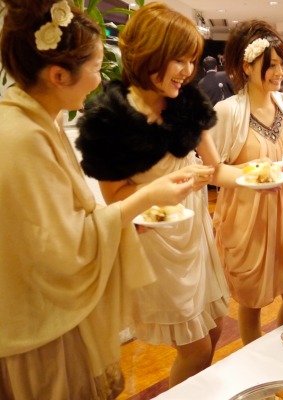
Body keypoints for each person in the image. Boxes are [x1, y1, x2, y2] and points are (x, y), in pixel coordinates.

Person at [0, 0, 198, 398]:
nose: (98, 79)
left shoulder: (41, 121)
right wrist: (149, 196)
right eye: (95, 67)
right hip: (38, 326)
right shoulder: (21, 137)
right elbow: (60, 249)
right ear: (59, 75)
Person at [76, 2, 239, 387]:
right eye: (179, 60)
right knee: (195, 349)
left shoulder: (186, 103)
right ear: (150, 53)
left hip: (194, 231)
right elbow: (115, 197)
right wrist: (163, 188)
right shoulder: (112, 117)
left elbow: (216, 168)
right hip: (155, 239)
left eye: (191, 60)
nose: (188, 71)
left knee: (215, 329)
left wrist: (260, 176)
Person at [207, 20, 283, 345]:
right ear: (246, 66)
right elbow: (213, 170)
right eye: (271, 65)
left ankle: (278, 350)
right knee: (250, 302)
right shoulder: (227, 112)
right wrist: (251, 170)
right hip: (247, 217)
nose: (280, 72)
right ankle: (256, 360)